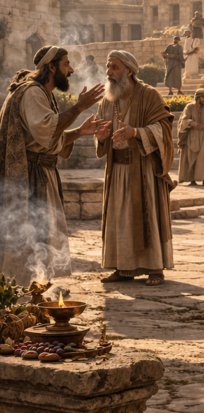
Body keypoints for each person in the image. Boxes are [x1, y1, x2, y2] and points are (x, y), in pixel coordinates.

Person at [0, 46, 105, 285]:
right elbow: (46, 130)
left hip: (43, 173)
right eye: (66, 64)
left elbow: (49, 139)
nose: (71, 69)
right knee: (30, 236)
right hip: (28, 176)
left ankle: (34, 291)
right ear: (51, 66)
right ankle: (21, 293)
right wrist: (79, 106)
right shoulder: (33, 93)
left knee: (43, 237)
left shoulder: (43, 94)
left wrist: (79, 131)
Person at [94, 51, 175, 287]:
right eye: (108, 67)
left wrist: (136, 132)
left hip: (144, 170)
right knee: (120, 218)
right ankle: (124, 268)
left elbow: (164, 128)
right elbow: (102, 134)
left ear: (129, 71)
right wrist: (100, 137)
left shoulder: (149, 95)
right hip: (117, 168)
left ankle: (155, 268)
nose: (109, 72)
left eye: (114, 67)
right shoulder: (108, 99)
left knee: (147, 215)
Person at [177, 89, 204, 186]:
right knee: (191, 158)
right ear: (198, 97)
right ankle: (192, 180)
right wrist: (190, 122)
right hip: (191, 136)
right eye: (203, 97)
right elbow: (183, 119)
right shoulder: (189, 107)